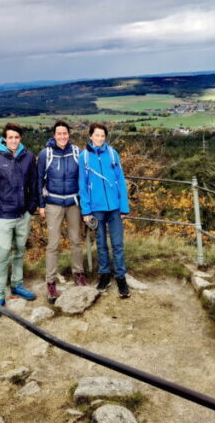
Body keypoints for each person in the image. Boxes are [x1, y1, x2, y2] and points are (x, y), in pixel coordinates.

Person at [0, 122, 40, 317]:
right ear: (4, 139)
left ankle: (17, 286)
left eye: (17, 137)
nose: (14, 141)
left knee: (20, 251)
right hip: (4, 216)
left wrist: (32, 206)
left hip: (23, 214)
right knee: (3, 254)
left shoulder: (27, 158)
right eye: (10, 138)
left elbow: (34, 183)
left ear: (20, 138)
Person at [37, 120, 88, 301]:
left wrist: (86, 204)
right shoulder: (46, 154)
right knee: (53, 244)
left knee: (76, 240)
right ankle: (51, 282)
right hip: (53, 203)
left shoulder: (77, 152)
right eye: (59, 134)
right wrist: (41, 204)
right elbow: (39, 180)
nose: (62, 137)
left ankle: (79, 274)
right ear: (54, 135)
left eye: (65, 133)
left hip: (74, 203)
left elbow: (83, 178)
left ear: (69, 135)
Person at [78, 122, 130, 298]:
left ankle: (121, 277)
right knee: (101, 244)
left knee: (117, 244)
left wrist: (124, 207)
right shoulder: (84, 157)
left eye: (103, 135)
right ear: (90, 136)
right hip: (96, 208)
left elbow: (120, 181)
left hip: (114, 207)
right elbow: (82, 186)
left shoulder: (112, 154)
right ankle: (105, 275)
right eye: (97, 135)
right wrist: (86, 211)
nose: (100, 138)